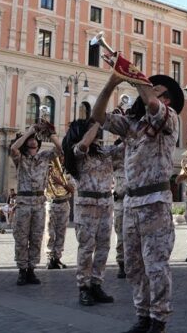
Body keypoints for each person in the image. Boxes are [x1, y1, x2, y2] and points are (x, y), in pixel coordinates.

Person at [92, 73, 183, 333]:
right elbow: (98, 117)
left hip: (155, 201)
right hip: (131, 202)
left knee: (155, 265)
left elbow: (154, 106)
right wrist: (111, 82)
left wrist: (139, 81)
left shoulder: (169, 117)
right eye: (152, 88)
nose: (153, 92)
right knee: (133, 265)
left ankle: (159, 319)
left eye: (159, 91)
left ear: (168, 99)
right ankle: (143, 315)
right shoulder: (132, 124)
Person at [64, 119, 117, 306]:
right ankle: (83, 287)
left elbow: (126, 147)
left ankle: (96, 284)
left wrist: (124, 123)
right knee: (86, 248)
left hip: (105, 203)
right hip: (87, 205)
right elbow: (85, 144)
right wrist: (98, 120)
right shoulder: (78, 150)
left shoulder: (104, 152)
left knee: (104, 246)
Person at [9, 119, 63, 286]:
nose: (32, 141)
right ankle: (22, 270)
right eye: (29, 140)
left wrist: (51, 134)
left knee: (36, 237)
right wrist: (29, 131)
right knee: (21, 237)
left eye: (34, 139)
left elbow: (60, 150)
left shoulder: (44, 156)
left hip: (39, 202)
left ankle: (31, 269)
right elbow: (13, 148)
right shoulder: (21, 158)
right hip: (24, 202)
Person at [45, 161, 74, 270]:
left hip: (64, 204)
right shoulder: (48, 172)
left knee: (61, 232)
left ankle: (57, 258)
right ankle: (49, 258)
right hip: (51, 203)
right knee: (50, 232)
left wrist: (61, 182)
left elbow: (73, 190)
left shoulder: (68, 173)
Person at [111, 139, 127, 278]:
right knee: (121, 236)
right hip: (120, 204)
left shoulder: (134, 161)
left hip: (133, 202)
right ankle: (121, 264)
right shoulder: (114, 165)